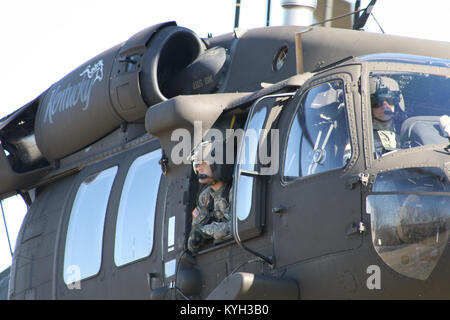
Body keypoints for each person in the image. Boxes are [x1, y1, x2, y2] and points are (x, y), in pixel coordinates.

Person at [187, 140, 233, 253]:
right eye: (196, 164)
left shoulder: (235, 191)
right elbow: (194, 234)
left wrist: (204, 231)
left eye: (203, 163)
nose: (198, 168)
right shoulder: (205, 197)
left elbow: (237, 227)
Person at [370, 76, 402, 157]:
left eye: (390, 101)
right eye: (377, 102)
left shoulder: (406, 132)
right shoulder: (363, 138)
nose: (385, 106)